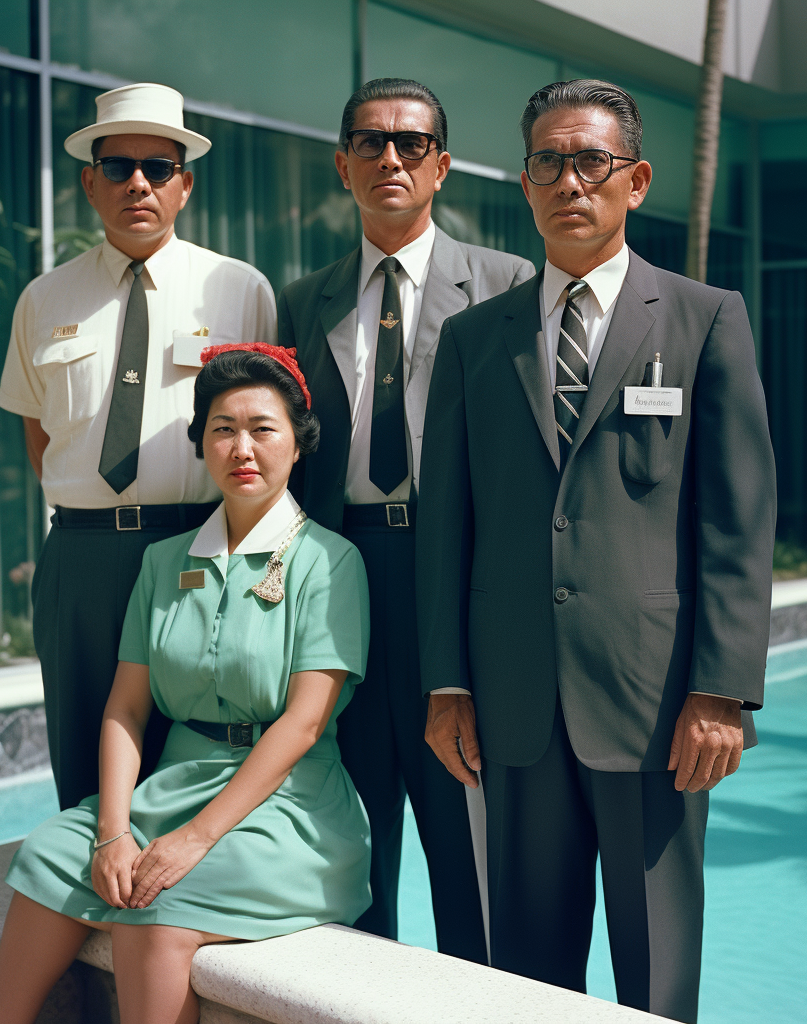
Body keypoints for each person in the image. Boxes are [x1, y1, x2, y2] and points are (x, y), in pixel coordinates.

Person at [416, 80, 776, 1023]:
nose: (569, 180)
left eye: (591, 162)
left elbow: (737, 521)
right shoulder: (471, 338)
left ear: (636, 180)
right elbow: (447, 519)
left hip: (659, 707)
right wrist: (448, 683)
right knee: (528, 970)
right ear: (526, 183)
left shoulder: (706, 320)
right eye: (548, 162)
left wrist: (722, 689)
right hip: (514, 704)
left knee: (656, 974)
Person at [0, 346, 370, 1024]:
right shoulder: (164, 562)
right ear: (201, 443)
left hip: (285, 804)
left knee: (154, 910)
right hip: (171, 785)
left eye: (262, 428)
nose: (241, 447)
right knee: (49, 851)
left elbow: (304, 724)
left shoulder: (330, 563)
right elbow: (126, 709)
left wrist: (197, 838)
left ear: (299, 443)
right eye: (222, 428)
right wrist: (112, 831)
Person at [278, 78, 534, 962]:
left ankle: (476, 993)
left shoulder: (511, 284)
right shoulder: (300, 298)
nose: (391, 158)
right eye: (372, 142)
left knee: (463, 816)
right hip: (340, 570)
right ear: (343, 163)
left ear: (443, 165)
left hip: (456, 573)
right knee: (351, 818)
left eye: (412, 144)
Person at [0, 83, 276, 810]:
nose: (138, 184)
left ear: (185, 183)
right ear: (90, 182)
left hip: (196, 547)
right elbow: (39, 431)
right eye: (117, 168)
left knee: (197, 746)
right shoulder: (43, 298)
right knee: (84, 754)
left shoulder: (238, 289)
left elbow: (266, 425)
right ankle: (94, 901)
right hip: (82, 559)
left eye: (158, 166)